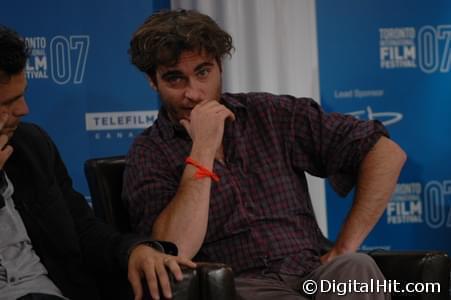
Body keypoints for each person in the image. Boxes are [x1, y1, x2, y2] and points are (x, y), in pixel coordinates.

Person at [124, 9, 406, 300]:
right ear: (152, 81)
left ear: (220, 66)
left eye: (203, 72)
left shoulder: (270, 114)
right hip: (241, 285)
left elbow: (386, 153)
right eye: (175, 79)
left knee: (356, 266)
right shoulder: (149, 152)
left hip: (312, 272)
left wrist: (345, 246)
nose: (194, 93)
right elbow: (175, 248)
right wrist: (203, 148)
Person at [0, 25, 196, 300]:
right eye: (8, 103)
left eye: (22, 94)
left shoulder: (31, 145)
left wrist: (134, 251)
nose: (24, 109)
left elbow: (83, 229)